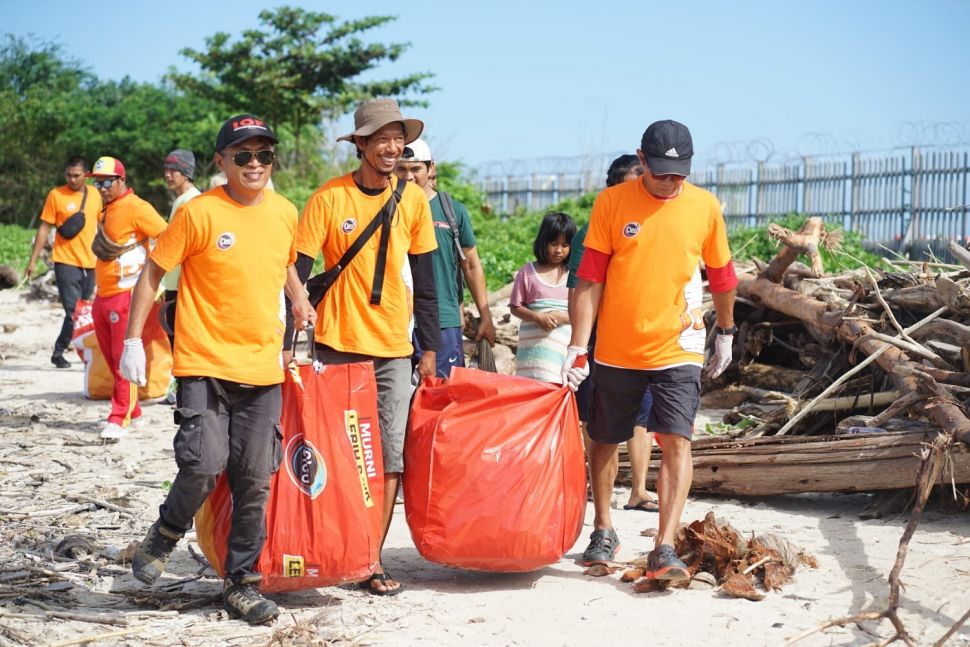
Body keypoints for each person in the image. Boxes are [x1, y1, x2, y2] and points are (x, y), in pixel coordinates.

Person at [120, 114, 314, 624]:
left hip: (262, 368)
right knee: (203, 466)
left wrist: (299, 301)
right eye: (243, 156)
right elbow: (154, 272)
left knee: (254, 479)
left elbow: (286, 263)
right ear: (221, 161)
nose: (255, 165)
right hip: (204, 363)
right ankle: (166, 531)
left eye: (264, 155)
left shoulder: (284, 212)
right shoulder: (199, 213)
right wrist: (133, 339)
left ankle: (242, 584)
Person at [563, 120, 737, 580]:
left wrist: (726, 332)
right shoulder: (612, 202)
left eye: (678, 173)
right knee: (604, 438)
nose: (669, 181)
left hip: (679, 343)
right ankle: (603, 527)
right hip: (617, 348)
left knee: (677, 438)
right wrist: (578, 347)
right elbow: (589, 279)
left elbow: (721, 275)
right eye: (660, 171)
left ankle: (664, 545)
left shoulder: (704, 207)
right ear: (641, 160)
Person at [292, 98, 439, 596]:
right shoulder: (328, 199)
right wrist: (296, 315)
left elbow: (426, 280)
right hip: (336, 347)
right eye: (382, 139)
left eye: (399, 139)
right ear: (360, 145)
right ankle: (335, 547)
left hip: (395, 348)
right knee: (340, 454)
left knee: (390, 456)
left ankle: (370, 559)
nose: (393, 148)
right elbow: (299, 267)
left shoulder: (414, 200)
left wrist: (431, 347)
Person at [567, 154, 659, 512]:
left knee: (643, 414)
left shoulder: (652, 224)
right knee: (595, 417)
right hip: (599, 336)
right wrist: (579, 343)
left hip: (642, 336)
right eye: (626, 185)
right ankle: (594, 485)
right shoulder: (591, 231)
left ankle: (639, 490)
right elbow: (580, 288)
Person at [393, 138, 496, 377]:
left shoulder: (452, 211)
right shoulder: (387, 208)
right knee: (397, 404)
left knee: (442, 400)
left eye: (415, 169)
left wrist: (486, 315)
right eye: (401, 169)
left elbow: (471, 265)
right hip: (396, 321)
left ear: (431, 169)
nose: (408, 176)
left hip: (443, 320)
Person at [88, 157, 168, 440]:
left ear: (122, 180)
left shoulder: (137, 207)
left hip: (126, 293)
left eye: (107, 182)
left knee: (123, 356)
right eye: (97, 182)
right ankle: (132, 409)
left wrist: (151, 276)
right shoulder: (105, 207)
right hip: (104, 292)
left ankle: (119, 414)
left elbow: (167, 235)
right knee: (111, 356)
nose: (102, 187)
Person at [24, 156, 103, 368]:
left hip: (90, 262)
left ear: (86, 175)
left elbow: (103, 224)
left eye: (77, 175)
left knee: (84, 311)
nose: (72, 179)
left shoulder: (95, 194)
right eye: (68, 175)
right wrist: (32, 261)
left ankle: (73, 350)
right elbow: (44, 228)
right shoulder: (56, 195)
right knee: (73, 311)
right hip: (65, 260)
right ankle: (62, 352)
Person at [510, 211, 575, 383]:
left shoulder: (573, 276)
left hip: (560, 355)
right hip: (532, 356)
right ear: (543, 242)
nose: (559, 250)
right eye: (554, 243)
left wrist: (564, 317)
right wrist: (537, 317)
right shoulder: (528, 272)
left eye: (565, 245)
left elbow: (581, 313)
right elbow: (515, 307)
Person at [159, 149, 202, 401]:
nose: (167, 175)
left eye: (173, 170)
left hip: (184, 285)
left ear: (186, 173)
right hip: (174, 282)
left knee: (181, 341)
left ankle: (186, 392)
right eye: (166, 169)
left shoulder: (191, 202)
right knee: (175, 339)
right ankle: (181, 389)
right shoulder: (181, 200)